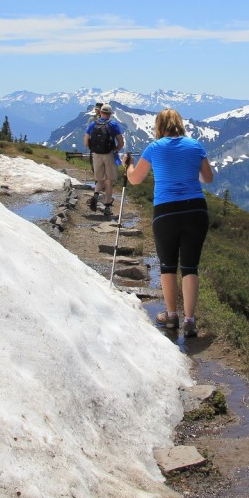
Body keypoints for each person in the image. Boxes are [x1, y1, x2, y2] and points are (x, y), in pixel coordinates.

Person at [124, 108, 214, 337]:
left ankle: (172, 316)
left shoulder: (154, 147)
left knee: (168, 265)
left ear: (160, 126)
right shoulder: (195, 145)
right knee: (190, 266)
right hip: (196, 209)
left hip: (166, 211)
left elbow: (135, 179)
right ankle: (190, 320)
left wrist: (128, 166)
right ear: (180, 124)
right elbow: (208, 178)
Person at [84, 104, 125, 214]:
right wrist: (115, 149)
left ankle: (96, 195)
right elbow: (121, 142)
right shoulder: (113, 124)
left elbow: (86, 141)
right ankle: (107, 207)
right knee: (109, 181)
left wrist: (93, 149)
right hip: (109, 154)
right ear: (110, 114)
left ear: (100, 112)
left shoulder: (93, 124)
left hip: (96, 154)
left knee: (100, 179)